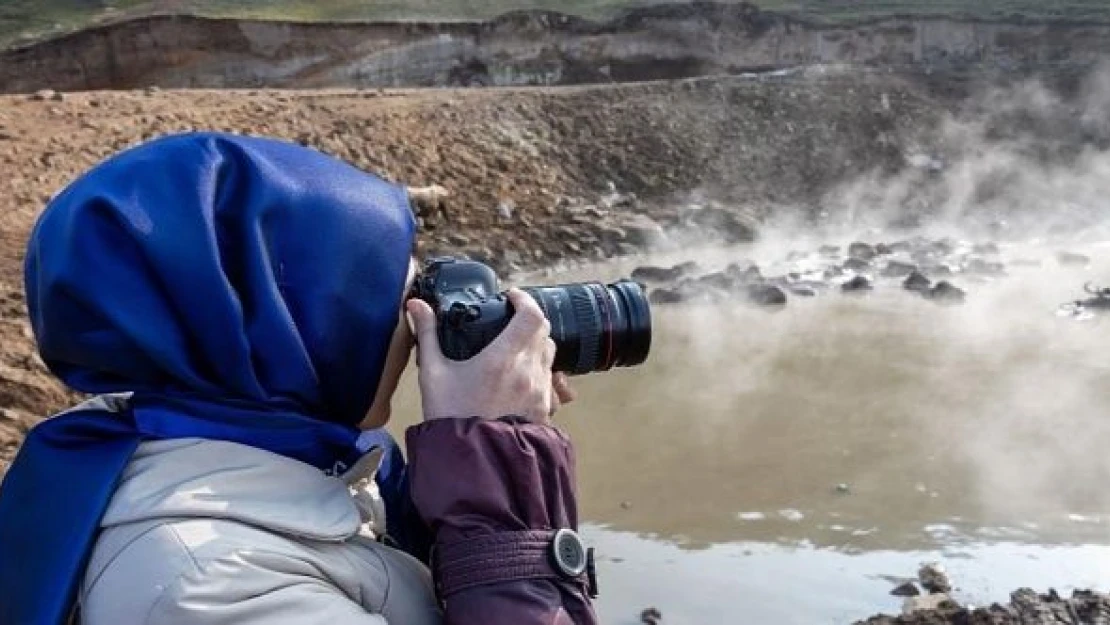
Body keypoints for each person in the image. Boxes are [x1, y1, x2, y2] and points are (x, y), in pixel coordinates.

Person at [0, 133, 598, 625]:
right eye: (401, 296)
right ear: (284, 322)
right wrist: (505, 482)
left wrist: (488, 456)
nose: (421, 327)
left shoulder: (276, 458)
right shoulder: (206, 583)